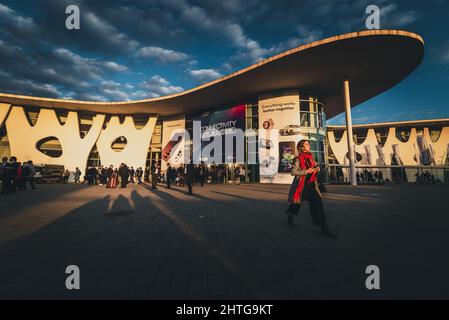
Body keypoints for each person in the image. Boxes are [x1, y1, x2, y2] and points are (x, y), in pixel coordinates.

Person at [286, 140, 337, 238]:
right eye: (306, 144)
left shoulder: (311, 157)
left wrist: (316, 169)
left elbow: (313, 167)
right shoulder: (297, 159)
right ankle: (290, 215)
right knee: (297, 204)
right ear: (301, 147)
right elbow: (293, 172)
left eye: (308, 144)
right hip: (302, 186)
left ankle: (324, 227)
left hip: (312, 185)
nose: (309, 145)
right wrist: (306, 171)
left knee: (318, 205)